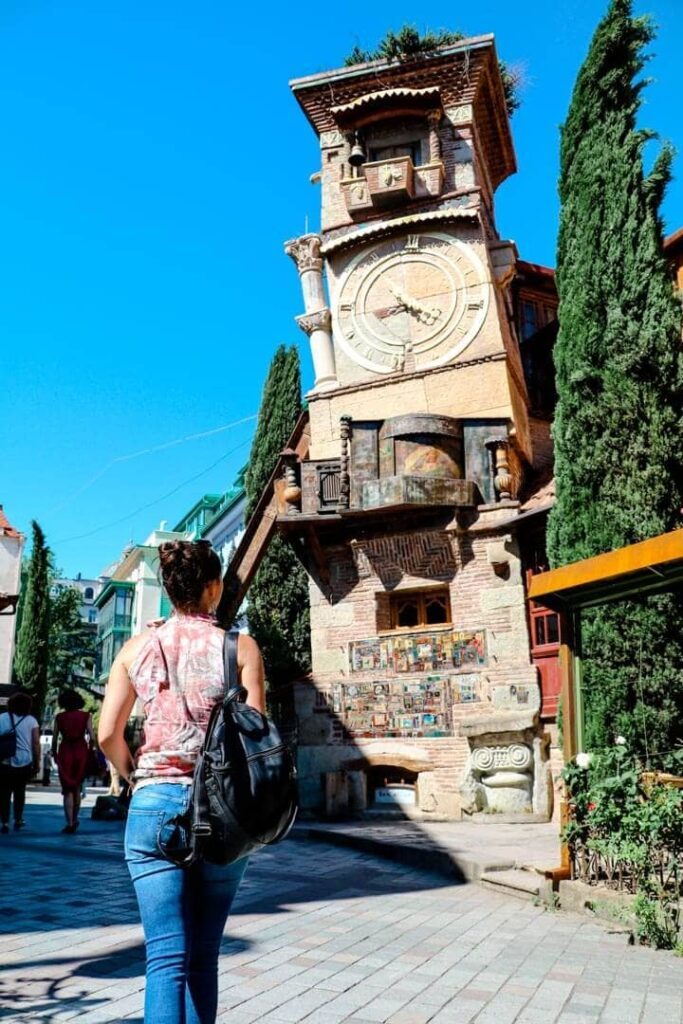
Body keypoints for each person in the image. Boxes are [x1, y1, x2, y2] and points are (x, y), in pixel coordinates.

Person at [99, 539, 265, 1024]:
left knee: (165, 956)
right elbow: (255, 734)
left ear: (170, 590)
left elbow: (107, 732)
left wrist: (134, 777)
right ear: (214, 588)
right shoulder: (241, 647)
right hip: (224, 811)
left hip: (153, 803)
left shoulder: (136, 648)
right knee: (203, 953)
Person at [52, 689, 94, 833]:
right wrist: (90, 750)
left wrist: (54, 753)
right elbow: (92, 737)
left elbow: (55, 737)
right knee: (77, 787)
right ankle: (75, 819)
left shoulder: (59, 717)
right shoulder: (86, 716)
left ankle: (69, 822)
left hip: (65, 752)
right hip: (81, 751)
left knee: (67, 790)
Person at [0, 691, 40, 832]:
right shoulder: (31, 721)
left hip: (5, 760)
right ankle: (18, 819)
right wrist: (37, 761)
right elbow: (35, 742)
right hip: (25, 761)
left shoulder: (2, 718)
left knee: (4, 793)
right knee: (19, 792)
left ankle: (4, 821)